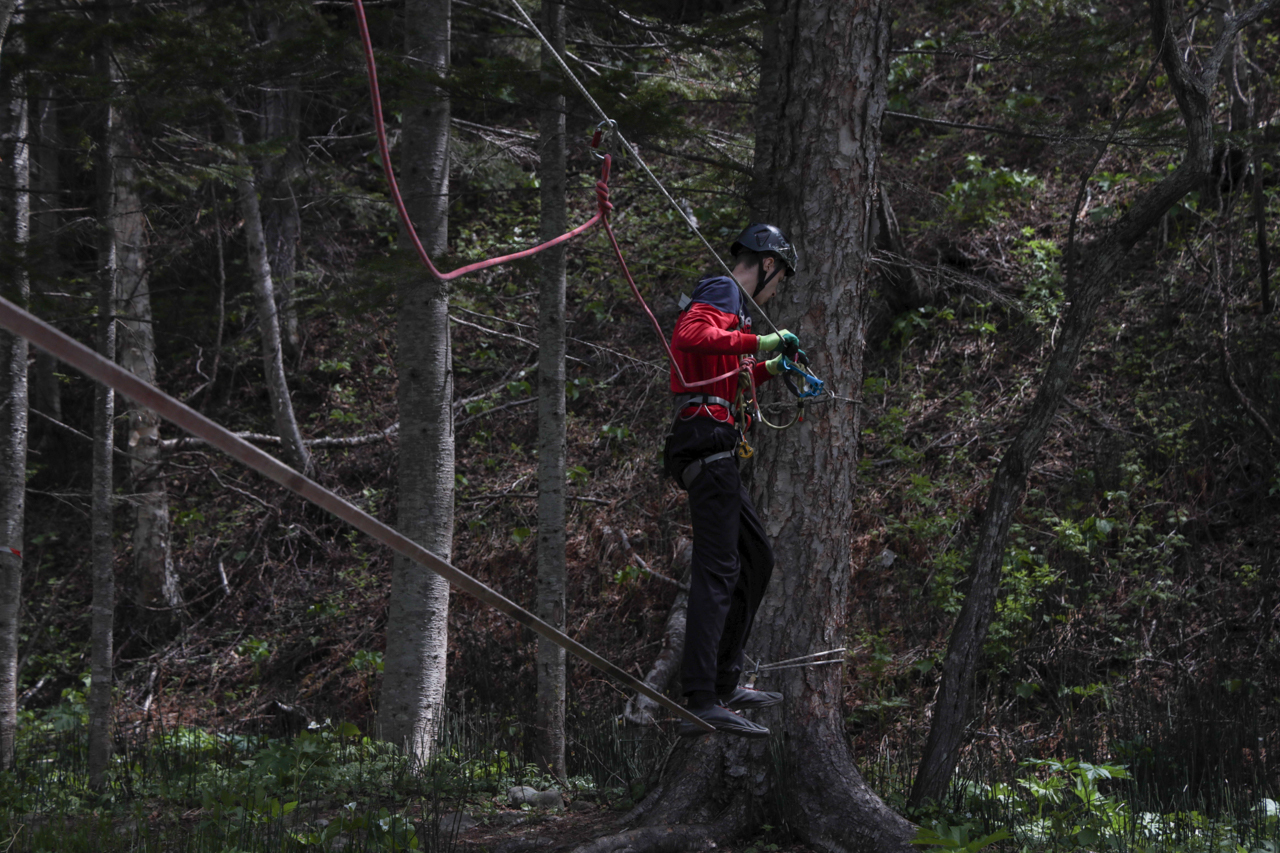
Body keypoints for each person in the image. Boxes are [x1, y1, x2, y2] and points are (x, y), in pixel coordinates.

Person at [663, 223, 800, 738]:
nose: (777, 288)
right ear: (767, 264)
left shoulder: (734, 311)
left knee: (756, 559)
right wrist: (763, 338)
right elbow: (690, 337)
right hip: (705, 439)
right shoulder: (724, 289)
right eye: (780, 277)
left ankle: (724, 681)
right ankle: (702, 696)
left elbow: (729, 372)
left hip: (715, 443)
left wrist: (771, 363)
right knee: (719, 568)